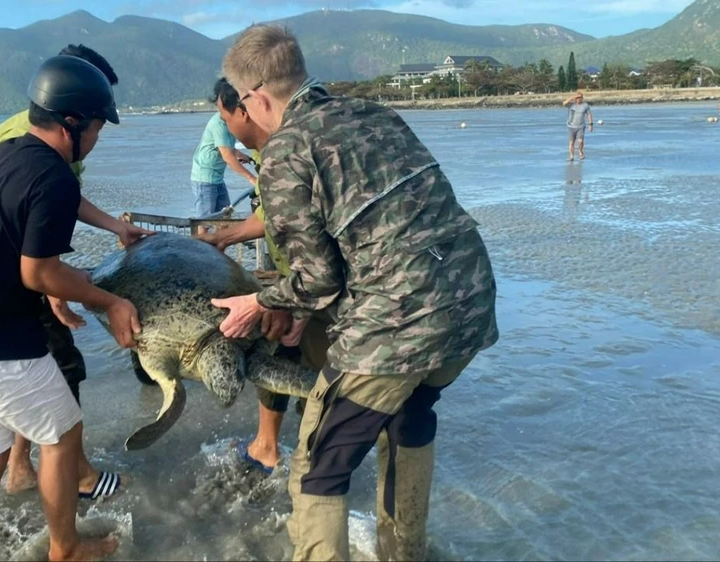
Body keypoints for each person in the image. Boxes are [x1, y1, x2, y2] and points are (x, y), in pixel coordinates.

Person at [215, 25, 499, 562]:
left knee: (321, 464)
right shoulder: (375, 113)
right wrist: (304, 305)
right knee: (410, 414)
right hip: (470, 298)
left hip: (399, 319)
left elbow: (317, 277)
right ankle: (405, 552)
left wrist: (262, 302)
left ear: (253, 97)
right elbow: (382, 229)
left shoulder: (284, 151)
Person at [0, 55, 137, 562]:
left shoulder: (7, 150)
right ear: (72, 123)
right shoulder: (52, 177)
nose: (99, 137)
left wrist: (110, 229)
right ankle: (67, 549)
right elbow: (39, 273)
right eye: (98, 126)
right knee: (62, 434)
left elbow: (40, 217)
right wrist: (112, 300)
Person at [0, 43, 152, 500]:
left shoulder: (49, 134)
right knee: (62, 370)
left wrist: (115, 225)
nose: (101, 123)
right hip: (15, 274)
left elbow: (66, 198)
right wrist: (53, 284)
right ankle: (76, 474)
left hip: (16, 272)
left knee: (35, 367)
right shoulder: (25, 138)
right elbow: (16, 215)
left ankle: (20, 466)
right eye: (97, 113)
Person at [196, 78, 331, 474]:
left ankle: (315, 467)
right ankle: (267, 446)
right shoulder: (270, 149)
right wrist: (225, 236)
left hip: (316, 287)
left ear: (245, 109)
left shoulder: (284, 152)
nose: (228, 127)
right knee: (278, 349)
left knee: (319, 373)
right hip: (297, 282)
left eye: (226, 117)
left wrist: (296, 303)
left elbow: (324, 239)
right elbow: (271, 215)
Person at [190, 78, 257, 224]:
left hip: (218, 178)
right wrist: (252, 178)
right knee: (205, 221)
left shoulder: (230, 121)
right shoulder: (219, 124)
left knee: (225, 217)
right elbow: (227, 155)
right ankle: (202, 245)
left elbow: (228, 148)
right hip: (204, 178)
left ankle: (221, 243)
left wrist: (243, 156)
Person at [562, 91, 593, 161]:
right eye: (577, 98)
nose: (579, 99)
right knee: (571, 142)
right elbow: (564, 103)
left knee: (580, 141)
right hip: (571, 126)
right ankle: (571, 156)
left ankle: (580, 151)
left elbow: (589, 115)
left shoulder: (585, 106)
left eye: (580, 97)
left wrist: (590, 124)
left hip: (581, 127)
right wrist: (572, 97)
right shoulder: (571, 105)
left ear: (582, 98)